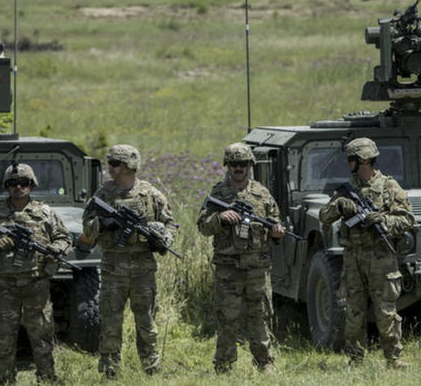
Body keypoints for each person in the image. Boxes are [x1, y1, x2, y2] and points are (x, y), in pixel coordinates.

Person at [0, 163, 70, 385]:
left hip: (36, 283)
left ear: (31, 185)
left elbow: (64, 238)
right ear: (7, 186)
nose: (18, 187)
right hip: (5, 285)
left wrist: (56, 249)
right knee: (4, 337)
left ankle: (47, 379)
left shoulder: (45, 212)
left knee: (42, 335)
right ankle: (4, 380)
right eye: (13, 183)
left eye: (23, 183)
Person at [318, 137, 414, 369]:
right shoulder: (346, 190)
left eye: (350, 159)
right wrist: (338, 206)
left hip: (381, 257)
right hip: (353, 258)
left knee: (386, 310)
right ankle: (356, 359)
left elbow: (407, 219)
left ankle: (393, 358)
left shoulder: (389, 187)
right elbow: (324, 216)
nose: (347, 163)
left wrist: (383, 220)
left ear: (362, 160)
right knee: (354, 310)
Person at [82, 144, 176, 378]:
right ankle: (110, 371)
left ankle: (151, 370)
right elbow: (87, 228)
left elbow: (170, 225)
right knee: (110, 324)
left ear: (129, 165)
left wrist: (161, 240)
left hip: (144, 271)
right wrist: (103, 224)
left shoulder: (151, 194)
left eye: (115, 163)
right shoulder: (103, 195)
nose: (110, 167)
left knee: (147, 323)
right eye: (110, 163)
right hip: (113, 270)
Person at [197, 143, 285, 374]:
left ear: (250, 165)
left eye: (243, 164)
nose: (238, 168)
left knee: (260, 316)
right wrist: (220, 218)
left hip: (257, 267)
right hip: (228, 268)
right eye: (234, 164)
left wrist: (277, 232)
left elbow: (275, 220)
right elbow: (203, 227)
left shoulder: (262, 193)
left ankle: (265, 363)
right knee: (227, 318)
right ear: (227, 166)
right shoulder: (218, 194)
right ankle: (224, 365)